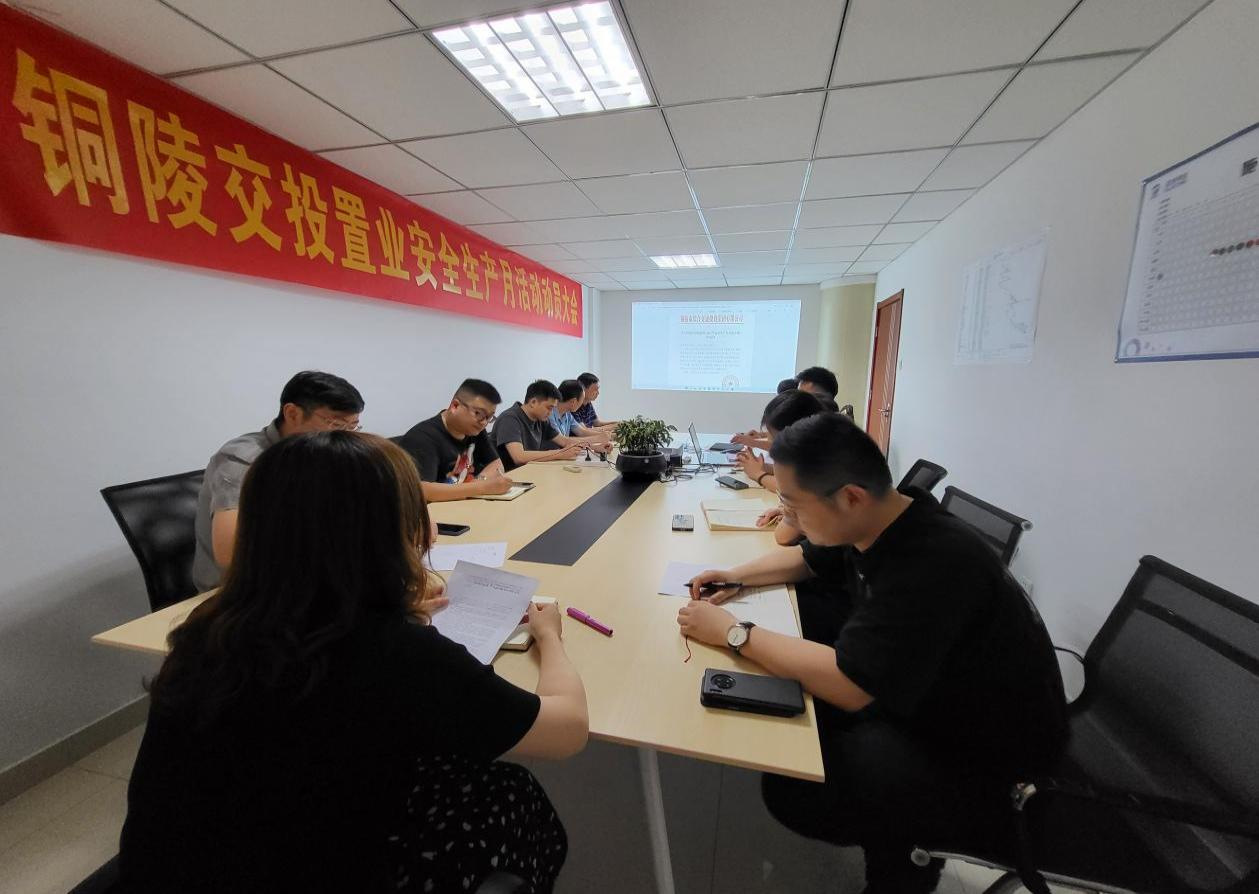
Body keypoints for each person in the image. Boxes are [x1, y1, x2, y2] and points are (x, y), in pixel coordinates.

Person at [121, 432, 588, 893]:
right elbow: (566, 729)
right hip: (320, 874)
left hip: (166, 873)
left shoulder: (209, 627)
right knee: (509, 790)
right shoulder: (397, 652)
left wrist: (393, 610)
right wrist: (549, 637)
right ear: (391, 533)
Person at [678, 414, 1067, 893]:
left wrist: (735, 634)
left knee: (795, 787)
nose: (788, 517)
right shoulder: (888, 516)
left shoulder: (932, 561)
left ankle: (904, 863)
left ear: (850, 497)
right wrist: (736, 577)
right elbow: (807, 559)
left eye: (793, 505)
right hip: (936, 704)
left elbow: (852, 686)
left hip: (990, 765)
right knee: (793, 716)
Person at [192, 370, 363, 592]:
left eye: (353, 427)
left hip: (300, 579)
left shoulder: (322, 453)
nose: (346, 437)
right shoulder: (243, 460)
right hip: (238, 591)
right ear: (292, 413)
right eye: (336, 425)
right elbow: (229, 553)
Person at [395, 378, 516, 502]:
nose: (484, 422)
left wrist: (477, 483)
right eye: (478, 413)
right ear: (455, 406)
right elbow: (423, 490)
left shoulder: (475, 429)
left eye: (489, 417)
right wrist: (483, 487)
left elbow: (496, 464)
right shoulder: (423, 438)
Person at [493, 380, 601, 470]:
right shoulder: (510, 418)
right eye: (549, 407)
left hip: (531, 471)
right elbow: (519, 457)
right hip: (511, 478)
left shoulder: (541, 419)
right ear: (533, 402)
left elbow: (564, 441)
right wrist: (560, 453)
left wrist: (595, 447)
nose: (551, 413)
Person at [550, 379, 613, 447]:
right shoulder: (549, 414)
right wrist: (598, 438)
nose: (582, 403)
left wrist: (599, 441)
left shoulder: (568, 414)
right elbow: (563, 440)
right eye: (582, 400)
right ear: (573, 401)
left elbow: (581, 432)